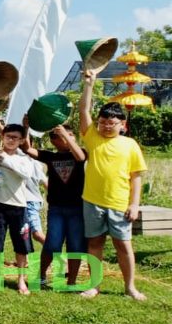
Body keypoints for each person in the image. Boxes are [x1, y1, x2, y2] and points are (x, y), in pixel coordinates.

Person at [79, 70, 148, 301]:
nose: (106, 126)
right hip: (92, 201)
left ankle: (130, 287)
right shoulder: (92, 137)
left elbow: (136, 177)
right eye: (103, 122)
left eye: (112, 123)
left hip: (119, 204)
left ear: (122, 124)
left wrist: (135, 204)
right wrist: (89, 84)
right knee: (95, 244)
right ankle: (94, 286)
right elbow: (83, 111)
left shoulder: (130, 145)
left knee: (123, 246)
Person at [21, 123, 87, 286]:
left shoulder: (80, 153)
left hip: (77, 208)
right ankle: (41, 275)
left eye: (70, 135)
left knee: (75, 245)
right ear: (53, 141)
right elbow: (27, 149)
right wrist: (26, 127)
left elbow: (80, 157)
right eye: (61, 136)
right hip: (56, 208)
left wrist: (64, 133)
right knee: (52, 243)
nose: (67, 138)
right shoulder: (51, 156)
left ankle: (71, 282)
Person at [0, 99, 37, 295]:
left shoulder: (25, 159)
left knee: (21, 245)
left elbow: (25, 174)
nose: (11, 140)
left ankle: (22, 280)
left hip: (19, 206)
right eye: (8, 136)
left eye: (15, 137)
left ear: (22, 140)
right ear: (3, 136)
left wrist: (5, 160)